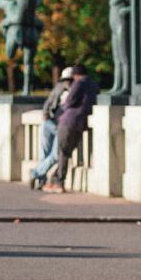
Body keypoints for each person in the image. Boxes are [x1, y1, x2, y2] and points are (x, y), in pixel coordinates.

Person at [45, 63, 97, 193]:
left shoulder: (78, 84)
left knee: (62, 152)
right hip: (82, 122)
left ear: (75, 75)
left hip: (68, 121)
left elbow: (69, 101)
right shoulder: (94, 85)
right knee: (67, 152)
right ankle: (55, 179)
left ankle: (59, 182)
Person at [29, 66, 73, 190]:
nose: (67, 82)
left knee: (54, 154)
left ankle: (36, 173)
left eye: (69, 80)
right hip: (49, 123)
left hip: (59, 125)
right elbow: (48, 103)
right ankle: (39, 179)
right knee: (46, 153)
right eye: (65, 80)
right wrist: (45, 113)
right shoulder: (59, 89)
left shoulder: (74, 92)